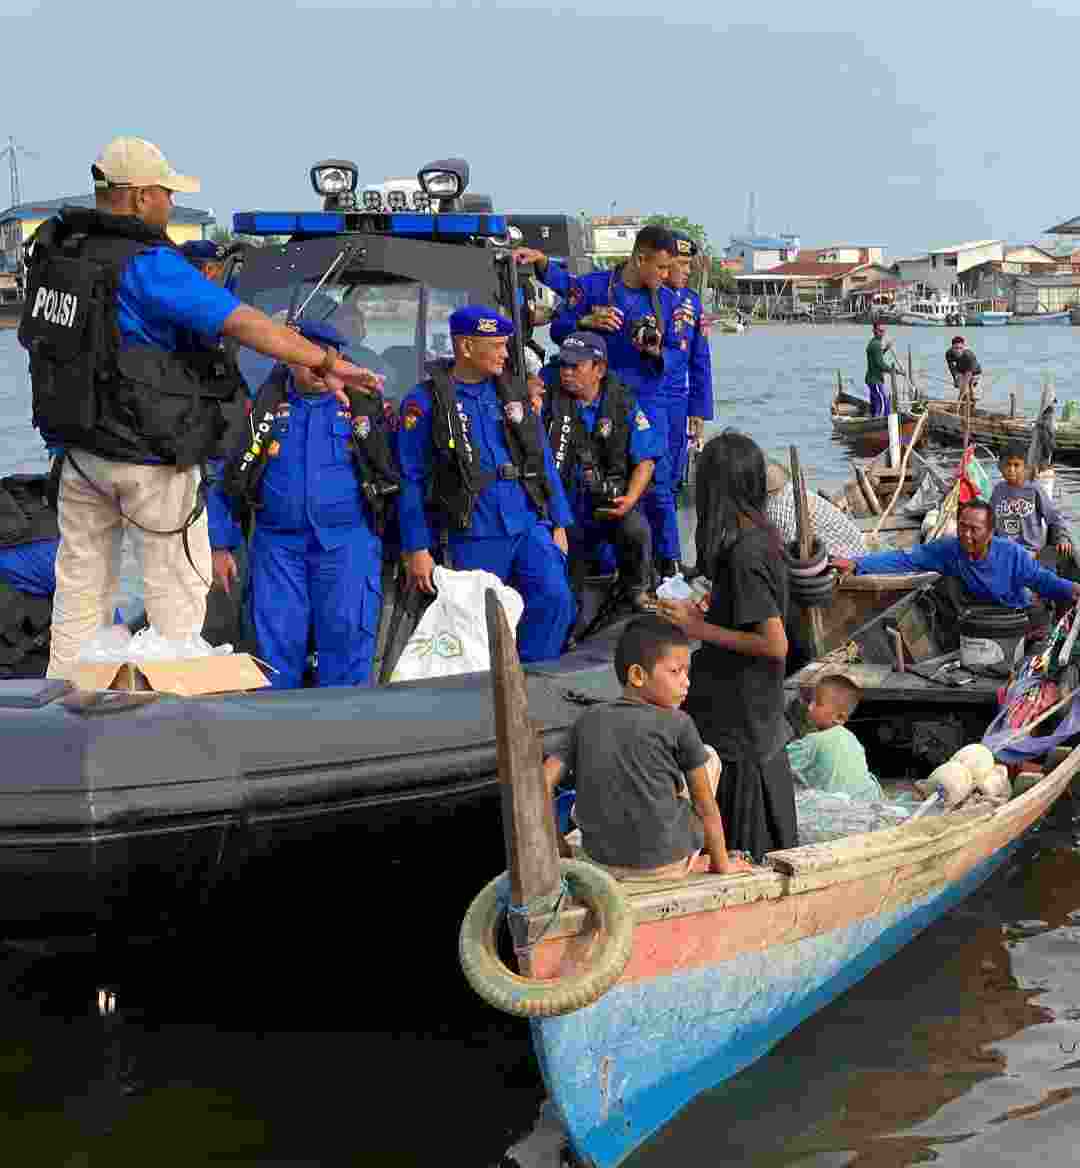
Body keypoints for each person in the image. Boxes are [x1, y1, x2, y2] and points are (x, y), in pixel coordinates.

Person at [19, 136, 382, 679]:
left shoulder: (60, 254)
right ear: (141, 197)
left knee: (79, 592)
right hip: (147, 457)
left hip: (78, 455)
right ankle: (177, 721)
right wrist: (327, 361)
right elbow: (243, 323)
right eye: (165, 192)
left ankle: (64, 702)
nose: (169, 204)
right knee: (178, 597)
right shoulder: (147, 265)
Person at [211, 320, 394, 688]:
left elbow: (397, 475)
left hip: (347, 546)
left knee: (347, 647)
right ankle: (279, 739)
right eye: (306, 357)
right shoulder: (259, 407)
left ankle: (347, 738)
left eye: (326, 360)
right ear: (288, 356)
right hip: (278, 548)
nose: (315, 369)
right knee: (273, 654)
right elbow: (223, 473)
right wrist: (219, 543)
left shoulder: (365, 409)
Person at [396, 305, 576, 663]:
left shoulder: (513, 394)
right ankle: (484, 694)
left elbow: (541, 458)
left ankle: (533, 679)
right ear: (465, 347)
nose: (504, 353)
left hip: (526, 520)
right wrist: (416, 547)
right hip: (473, 528)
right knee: (475, 621)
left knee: (556, 598)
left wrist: (559, 521)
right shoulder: (425, 402)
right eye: (495, 345)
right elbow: (411, 478)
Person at [657, 430, 797, 860]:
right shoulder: (760, 536)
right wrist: (713, 607)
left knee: (746, 843)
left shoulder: (746, 554)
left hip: (743, 719)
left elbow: (775, 644)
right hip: (754, 714)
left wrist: (698, 628)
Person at [514, 227, 681, 574]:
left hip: (644, 398)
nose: (667, 276)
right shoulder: (597, 288)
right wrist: (586, 320)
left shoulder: (667, 301)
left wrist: (655, 350)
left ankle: (668, 566)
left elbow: (679, 353)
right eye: (662, 268)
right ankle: (595, 563)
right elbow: (561, 327)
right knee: (587, 477)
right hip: (592, 398)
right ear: (640, 259)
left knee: (659, 486)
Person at [542, 615, 751, 878]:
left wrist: (559, 848)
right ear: (638, 675)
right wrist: (722, 866)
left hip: (599, 863)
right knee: (708, 757)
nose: (686, 682)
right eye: (676, 672)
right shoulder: (679, 723)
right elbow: (704, 805)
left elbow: (541, 782)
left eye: (687, 671)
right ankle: (687, 863)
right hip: (661, 866)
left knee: (583, 807)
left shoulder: (587, 718)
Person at [545, 331, 660, 610]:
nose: (567, 373)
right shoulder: (548, 404)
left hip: (612, 502)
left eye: (576, 366)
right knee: (567, 582)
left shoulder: (623, 402)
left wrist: (630, 499)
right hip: (567, 509)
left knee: (636, 530)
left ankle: (637, 589)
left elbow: (647, 458)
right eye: (563, 366)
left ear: (599, 369)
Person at [830, 500, 1080, 615]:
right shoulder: (949, 549)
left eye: (975, 529)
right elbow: (906, 558)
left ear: (991, 532)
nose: (967, 535)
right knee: (942, 588)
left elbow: (1042, 580)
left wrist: (1072, 589)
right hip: (972, 612)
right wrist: (858, 563)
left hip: (1012, 612)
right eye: (962, 526)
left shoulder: (1011, 554)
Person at [647, 229, 714, 572]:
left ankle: (669, 555)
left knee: (672, 478)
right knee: (650, 477)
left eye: (689, 264)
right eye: (681, 264)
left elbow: (700, 359)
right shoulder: (649, 296)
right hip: (647, 395)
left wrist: (699, 410)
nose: (686, 271)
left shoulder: (691, 302)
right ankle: (661, 555)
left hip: (677, 400)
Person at [784, 674, 884, 803]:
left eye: (817, 703)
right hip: (866, 800)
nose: (809, 707)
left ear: (839, 718)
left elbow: (779, 761)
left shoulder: (813, 741)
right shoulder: (851, 737)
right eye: (811, 702)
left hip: (836, 806)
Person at [765, 462, 867, 558]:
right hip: (857, 547)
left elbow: (791, 548)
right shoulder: (789, 489)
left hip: (847, 557)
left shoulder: (777, 507)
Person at [990, 443, 1071, 558]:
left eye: (1016, 465)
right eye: (1008, 465)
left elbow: (1054, 517)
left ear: (1025, 467)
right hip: (1004, 551)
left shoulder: (1034, 489)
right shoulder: (998, 490)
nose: (1011, 470)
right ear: (1000, 466)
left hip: (1030, 552)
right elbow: (989, 521)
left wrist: (1062, 538)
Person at [865, 320, 898, 418]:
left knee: (876, 403)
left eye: (883, 331)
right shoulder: (876, 344)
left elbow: (876, 357)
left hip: (872, 379)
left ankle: (874, 417)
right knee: (884, 401)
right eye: (880, 331)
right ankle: (883, 421)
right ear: (874, 330)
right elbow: (880, 364)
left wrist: (885, 349)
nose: (882, 333)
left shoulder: (874, 343)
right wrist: (893, 371)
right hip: (874, 379)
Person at [945, 335, 981, 405]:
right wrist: (956, 379)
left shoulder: (969, 356)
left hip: (975, 372)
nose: (958, 351)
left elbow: (968, 375)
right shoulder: (948, 353)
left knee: (968, 389)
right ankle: (963, 404)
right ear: (952, 348)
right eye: (956, 348)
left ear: (964, 347)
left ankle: (969, 403)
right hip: (961, 370)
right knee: (962, 386)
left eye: (960, 348)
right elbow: (952, 368)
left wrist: (963, 387)